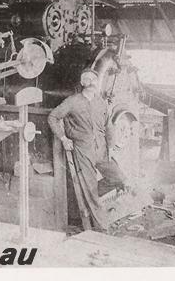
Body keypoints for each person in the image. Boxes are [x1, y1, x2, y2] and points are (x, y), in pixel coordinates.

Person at [48, 68, 128, 231]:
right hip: (83, 150)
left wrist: (111, 147)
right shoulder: (73, 101)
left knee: (119, 178)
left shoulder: (100, 102)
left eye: (94, 79)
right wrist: (63, 138)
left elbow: (108, 126)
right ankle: (101, 228)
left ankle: (89, 195)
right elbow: (53, 117)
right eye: (88, 79)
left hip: (102, 150)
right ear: (83, 82)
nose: (92, 82)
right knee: (91, 192)